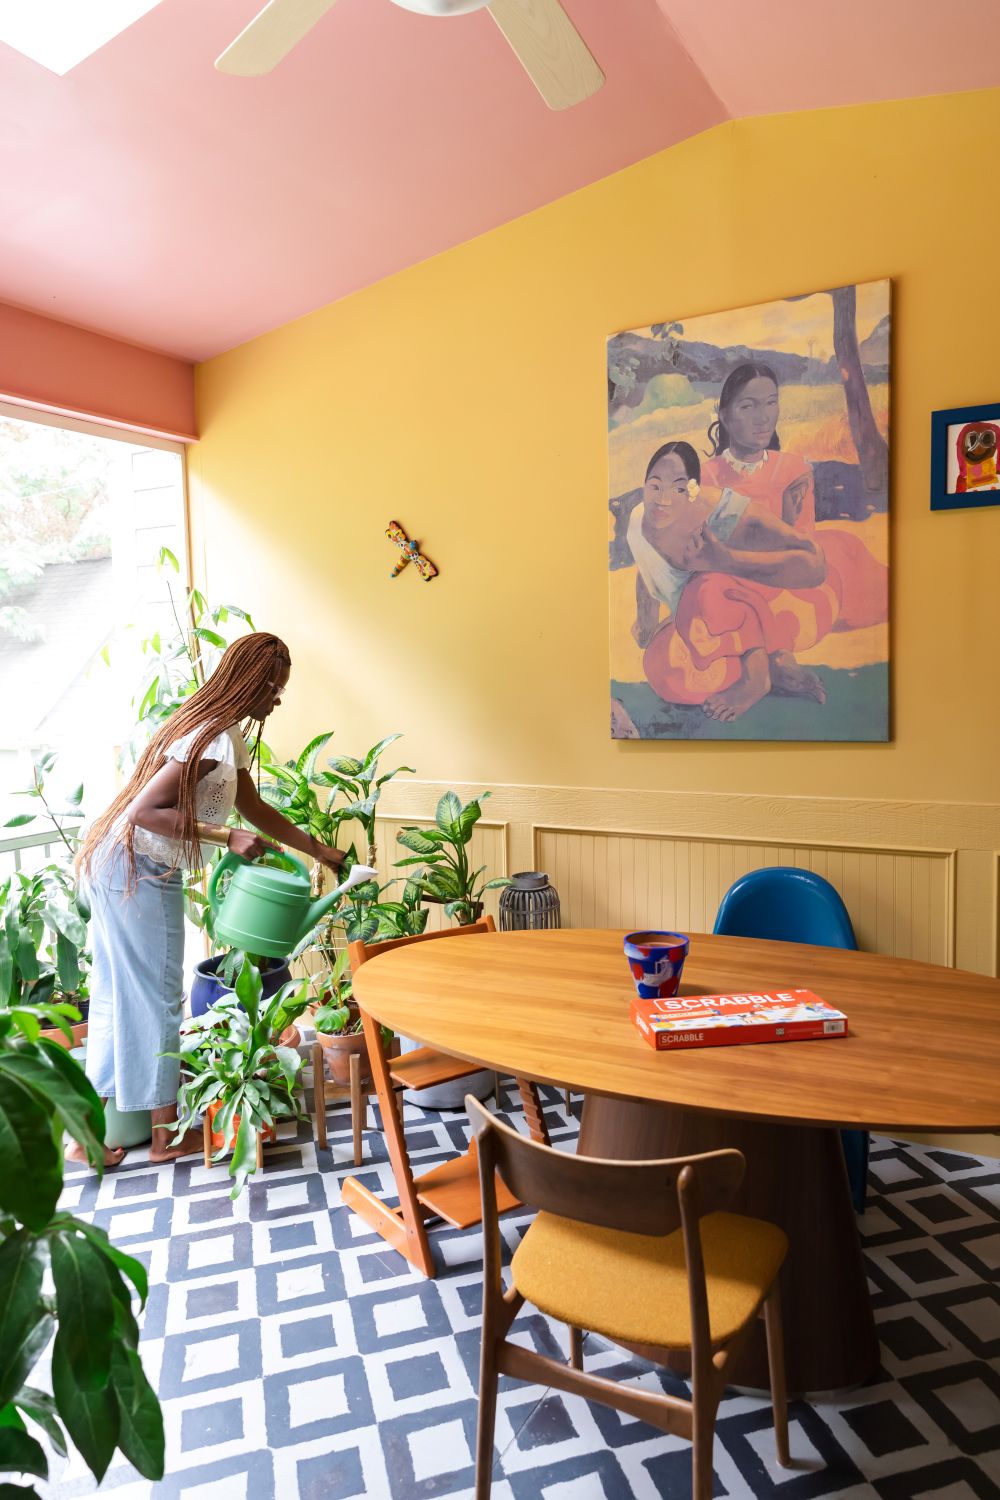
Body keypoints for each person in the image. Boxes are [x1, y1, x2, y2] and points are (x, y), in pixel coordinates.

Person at [75, 633, 344, 1167]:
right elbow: (144, 812)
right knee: (156, 997)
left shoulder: (221, 736)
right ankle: (163, 1139)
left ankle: (89, 1141)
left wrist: (320, 851)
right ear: (254, 682)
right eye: (275, 687)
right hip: (138, 867)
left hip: (113, 864)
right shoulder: (211, 739)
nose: (278, 699)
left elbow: (256, 810)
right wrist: (226, 838)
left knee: (112, 998)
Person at [630, 442, 828, 722]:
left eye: (677, 489)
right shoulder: (638, 522)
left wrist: (723, 559)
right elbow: (646, 567)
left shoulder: (721, 513)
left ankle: (758, 676)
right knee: (663, 675)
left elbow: (815, 564)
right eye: (654, 486)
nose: (662, 499)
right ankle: (775, 667)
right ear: (644, 486)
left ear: (693, 491)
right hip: (700, 625)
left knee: (707, 585)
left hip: (744, 606)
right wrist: (647, 621)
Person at [701, 362, 888, 637]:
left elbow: (803, 546)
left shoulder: (794, 469)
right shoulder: (706, 477)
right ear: (725, 415)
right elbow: (706, 552)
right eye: (748, 406)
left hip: (800, 567)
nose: (763, 417)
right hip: (738, 577)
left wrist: (789, 517)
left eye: (770, 403)